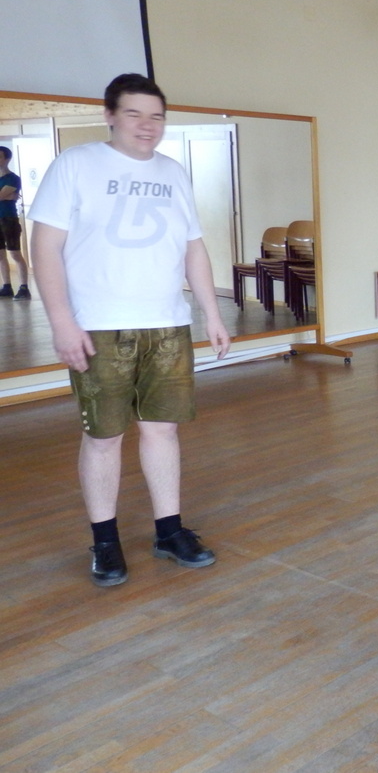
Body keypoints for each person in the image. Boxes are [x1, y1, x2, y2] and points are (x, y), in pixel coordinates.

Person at [28, 73, 231, 587]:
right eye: (134, 114)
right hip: (99, 328)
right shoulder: (76, 164)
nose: (147, 125)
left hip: (168, 325)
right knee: (104, 438)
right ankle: (105, 542)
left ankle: (169, 531)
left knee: (163, 430)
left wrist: (211, 313)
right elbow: (44, 246)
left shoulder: (173, 171)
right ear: (110, 116)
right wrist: (61, 322)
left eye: (156, 116)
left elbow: (193, 247)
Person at [0, 145, 32, 299]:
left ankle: (24, 287)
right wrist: (9, 196)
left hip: (9, 219)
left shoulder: (13, 178)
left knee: (14, 253)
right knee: (0, 254)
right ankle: (6, 286)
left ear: (7, 159)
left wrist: (5, 196)